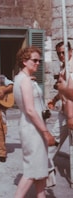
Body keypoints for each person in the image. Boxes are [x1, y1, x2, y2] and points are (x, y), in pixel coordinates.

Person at [13, 46, 55, 197]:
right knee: (32, 171)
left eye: (39, 61)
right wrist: (46, 133)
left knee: (40, 173)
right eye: (34, 60)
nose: (38, 63)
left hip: (32, 126)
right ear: (24, 61)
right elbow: (30, 110)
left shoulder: (22, 79)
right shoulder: (25, 81)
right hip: (33, 129)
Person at [46, 41, 73, 187]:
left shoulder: (72, 67)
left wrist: (70, 117)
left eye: (64, 52)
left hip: (71, 112)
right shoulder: (65, 66)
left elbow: (71, 93)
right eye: (58, 53)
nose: (61, 55)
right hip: (64, 111)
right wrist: (55, 99)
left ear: (71, 50)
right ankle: (47, 168)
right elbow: (63, 90)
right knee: (54, 139)